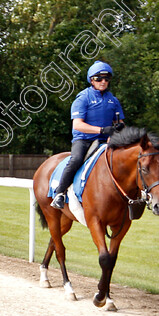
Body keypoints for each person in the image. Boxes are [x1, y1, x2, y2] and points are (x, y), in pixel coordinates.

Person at [50, 61, 125, 209]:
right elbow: (78, 125)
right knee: (76, 159)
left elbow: (120, 122)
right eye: (99, 79)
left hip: (106, 141)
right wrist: (102, 130)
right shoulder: (83, 98)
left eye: (106, 79)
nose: (103, 82)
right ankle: (59, 193)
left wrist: (119, 128)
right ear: (91, 80)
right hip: (83, 140)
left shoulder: (113, 100)